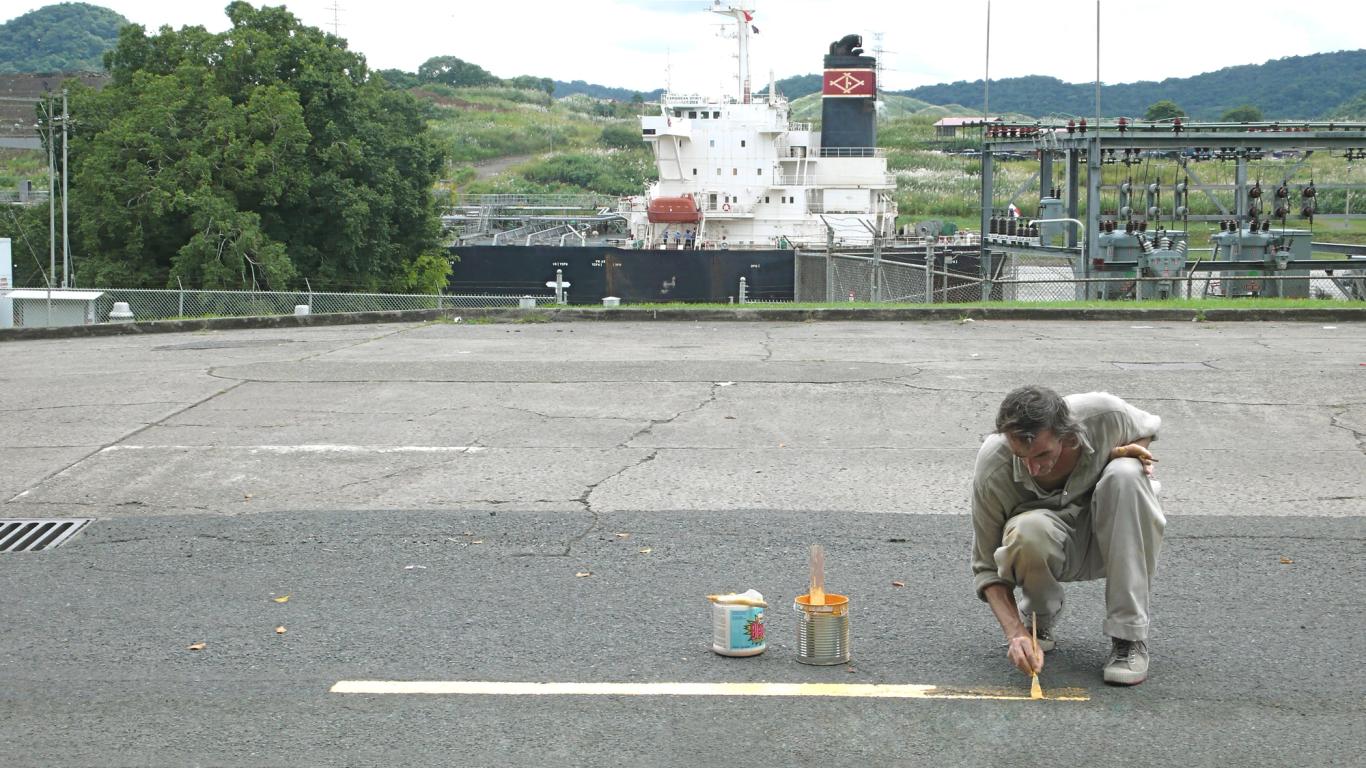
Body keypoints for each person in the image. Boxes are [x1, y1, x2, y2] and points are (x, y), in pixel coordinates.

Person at [970, 386, 1164, 686]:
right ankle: (1038, 620)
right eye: (1022, 456)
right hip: (1051, 542)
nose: (1033, 468)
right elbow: (985, 567)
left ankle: (1129, 637)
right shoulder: (994, 463)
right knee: (1027, 530)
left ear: (1067, 435)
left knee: (1126, 473)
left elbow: (1147, 429)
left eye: (1042, 454)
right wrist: (1015, 633)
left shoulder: (1104, 414)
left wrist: (1121, 453)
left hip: (1115, 535)